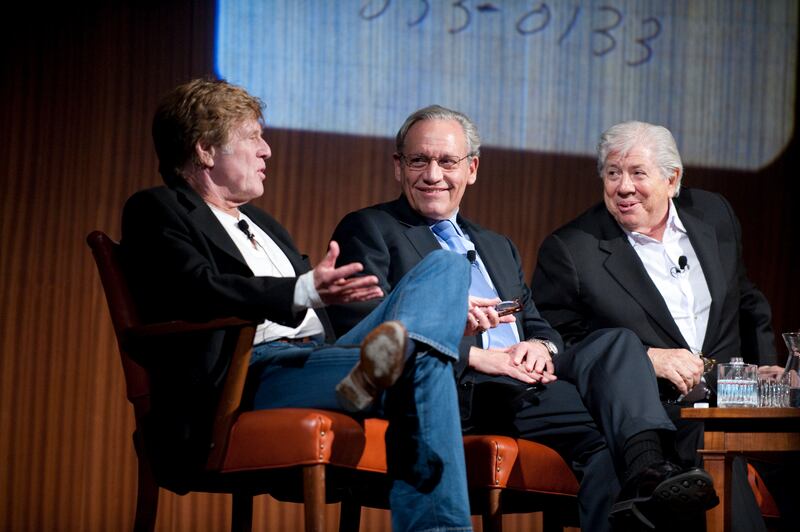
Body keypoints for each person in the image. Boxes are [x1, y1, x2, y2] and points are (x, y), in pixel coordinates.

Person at [327, 105, 718, 531]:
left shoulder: (496, 245)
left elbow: (538, 324)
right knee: (620, 432)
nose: (433, 175)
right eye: (419, 161)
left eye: (447, 162)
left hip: (528, 384)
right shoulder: (371, 229)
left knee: (618, 346)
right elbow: (364, 329)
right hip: (459, 388)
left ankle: (646, 472)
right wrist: (474, 355)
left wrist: (540, 346)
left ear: (472, 169)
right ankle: (650, 467)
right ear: (398, 167)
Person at [120, 79, 487, 531]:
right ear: (206, 151)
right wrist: (304, 291)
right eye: (253, 137)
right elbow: (197, 287)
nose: (266, 150)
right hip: (247, 376)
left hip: (316, 358)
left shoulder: (263, 224)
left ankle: (384, 363)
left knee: (445, 269)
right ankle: (389, 381)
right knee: (422, 365)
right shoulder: (158, 209)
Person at [531, 120, 787, 531]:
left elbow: (746, 300)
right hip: (651, 411)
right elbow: (557, 346)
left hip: (732, 403)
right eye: (613, 173)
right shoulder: (573, 249)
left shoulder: (714, 214)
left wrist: (766, 373)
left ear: (673, 179)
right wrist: (646, 359)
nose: (623, 187)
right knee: (704, 449)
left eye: (637, 173)